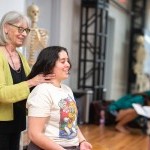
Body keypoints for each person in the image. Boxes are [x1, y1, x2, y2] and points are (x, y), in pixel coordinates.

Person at [0, 11, 54, 150]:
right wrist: (32, 82)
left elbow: (32, 85)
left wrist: (47, 78)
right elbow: (2, 93)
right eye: (20, 29)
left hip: (17, 120)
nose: (24, 34)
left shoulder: (19, 56)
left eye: (26, 30)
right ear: (6, 27)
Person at [26, 46, 92, 150]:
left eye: (67, 61)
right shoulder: (42, 91)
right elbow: (34, 134)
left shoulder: (67, 89)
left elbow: (70, 122)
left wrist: (82, 141)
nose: (68, 65)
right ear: (50, 65)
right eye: (62, 61)